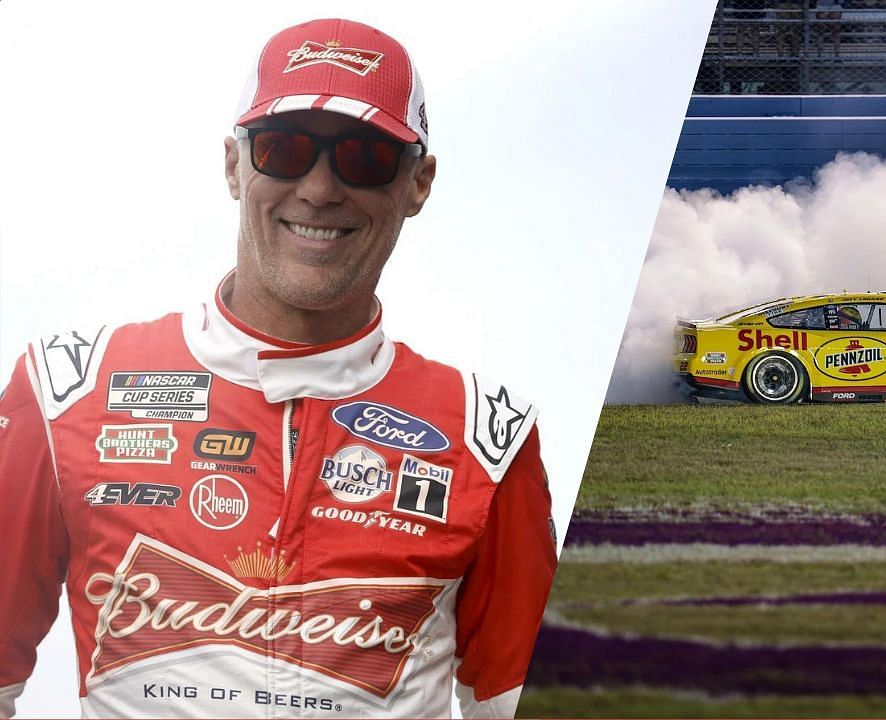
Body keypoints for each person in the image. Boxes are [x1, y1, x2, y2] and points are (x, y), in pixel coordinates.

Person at [0, 18, 555, 719]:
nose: (320, 189)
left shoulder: (488, 438)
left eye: (365, 157)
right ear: (236, 166)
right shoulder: (61, 395)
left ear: (419, 184)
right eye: (285, 149)